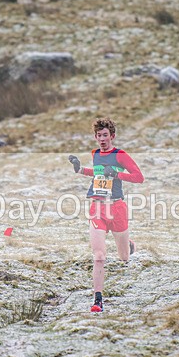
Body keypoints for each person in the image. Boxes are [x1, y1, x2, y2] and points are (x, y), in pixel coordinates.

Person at [68, 119, 144, 312]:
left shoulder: (121, 155)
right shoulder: (95, 154)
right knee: (99, 256)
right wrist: (80, 170)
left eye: (105, 135)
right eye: (98, 136)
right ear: (95, 137)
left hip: (117, 209)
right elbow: (98, 174)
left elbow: (139, 177)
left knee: (124, 257)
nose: (102, 139)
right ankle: (97, 300)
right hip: (98, 209)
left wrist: (117, 175)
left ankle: (129, 245)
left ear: (112, 136)